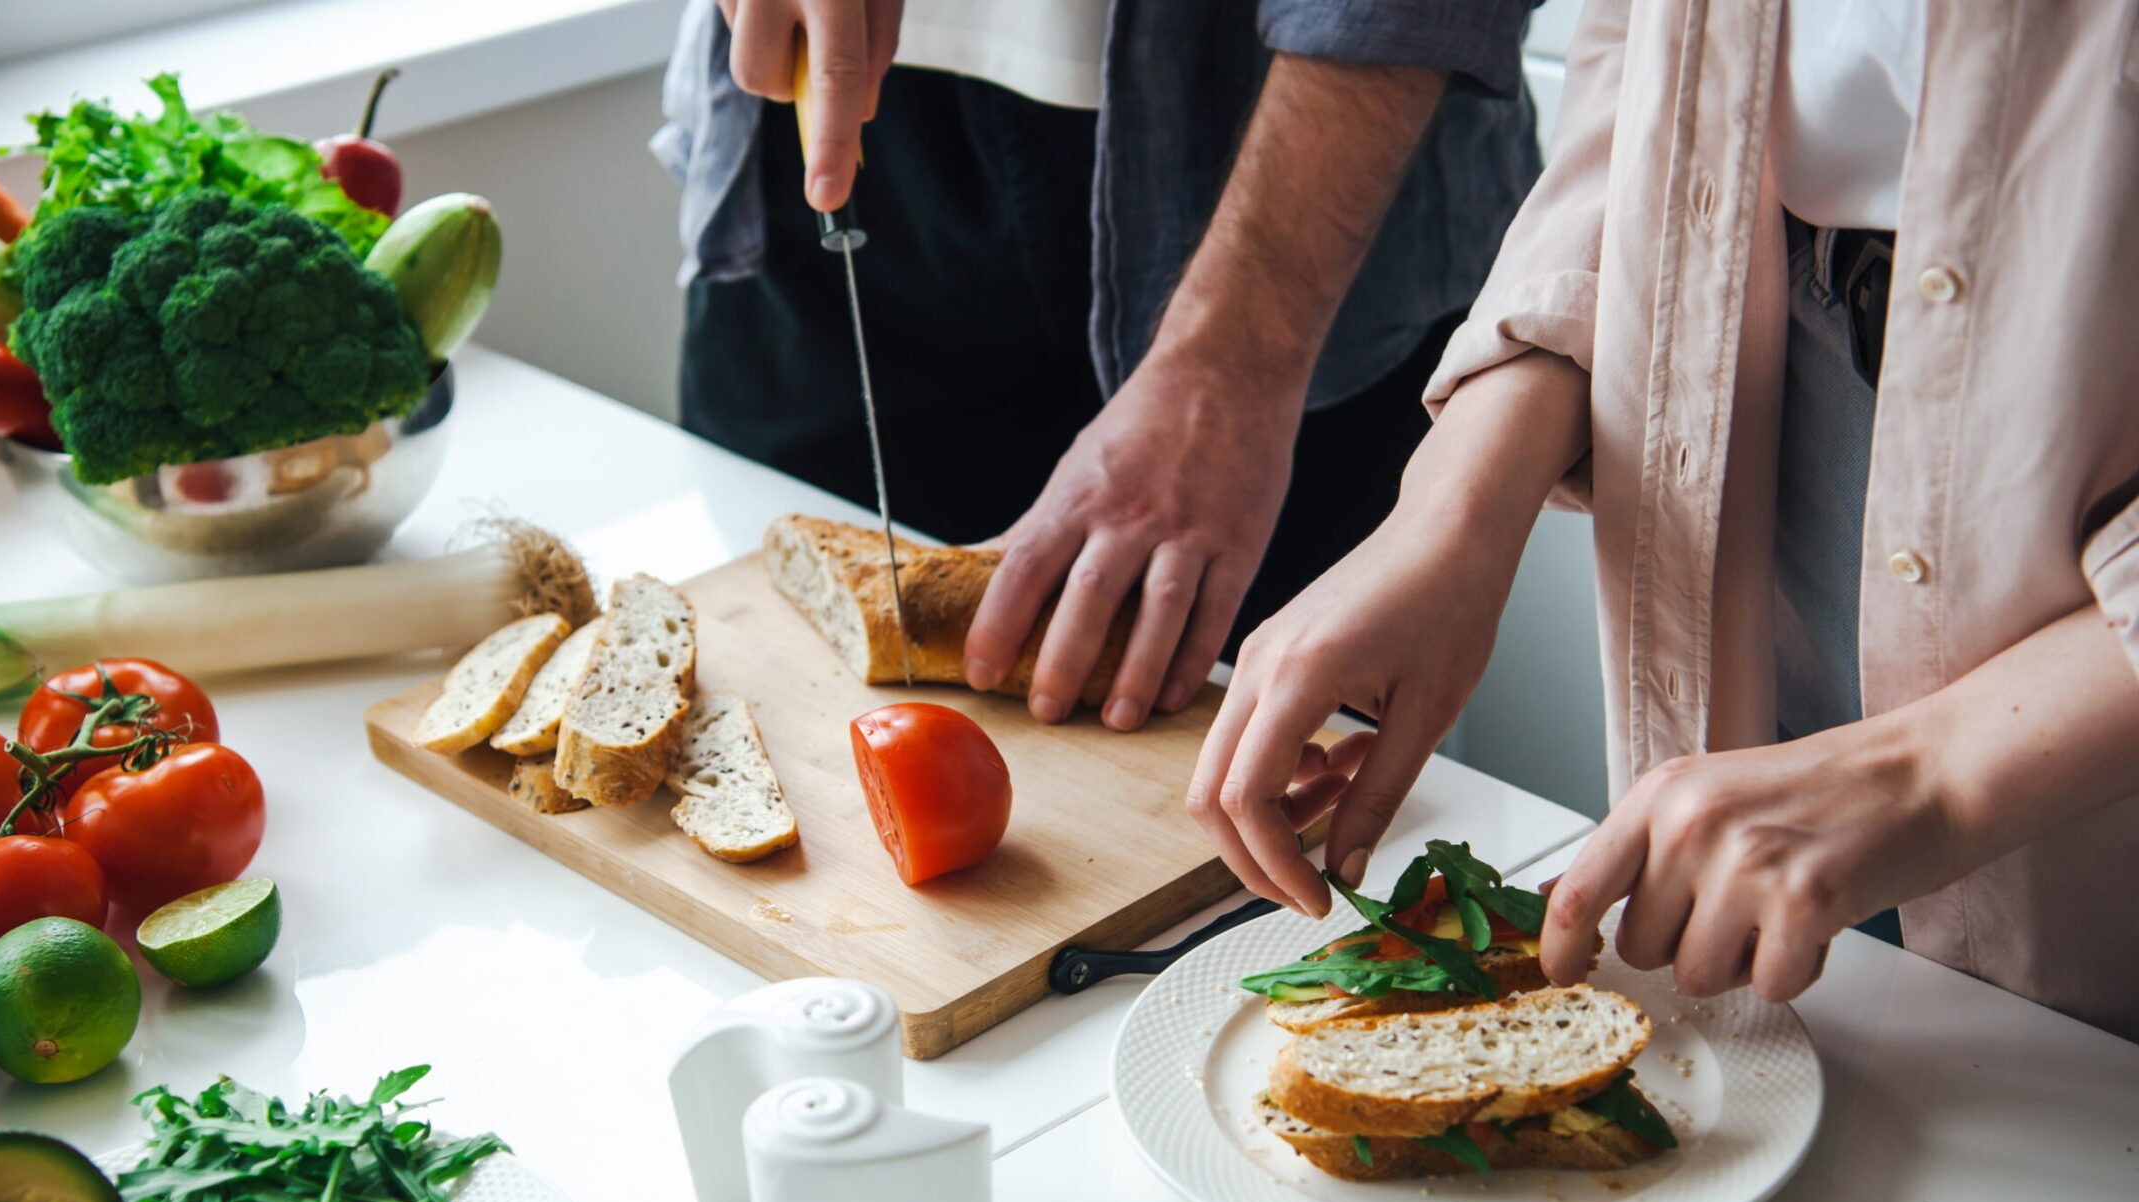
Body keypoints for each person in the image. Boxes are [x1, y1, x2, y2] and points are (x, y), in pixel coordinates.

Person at [1191, 0, 2139, 1038]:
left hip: (2085, 487)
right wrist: (1454, 503)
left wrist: (1938, 775)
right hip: (1759, 394)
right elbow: (1641, 57)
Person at [653, 0, 1543, 731]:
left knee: (1293, 809)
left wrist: (1234, 362)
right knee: (777, 714)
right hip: (839, 122)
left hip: (1300, 183)